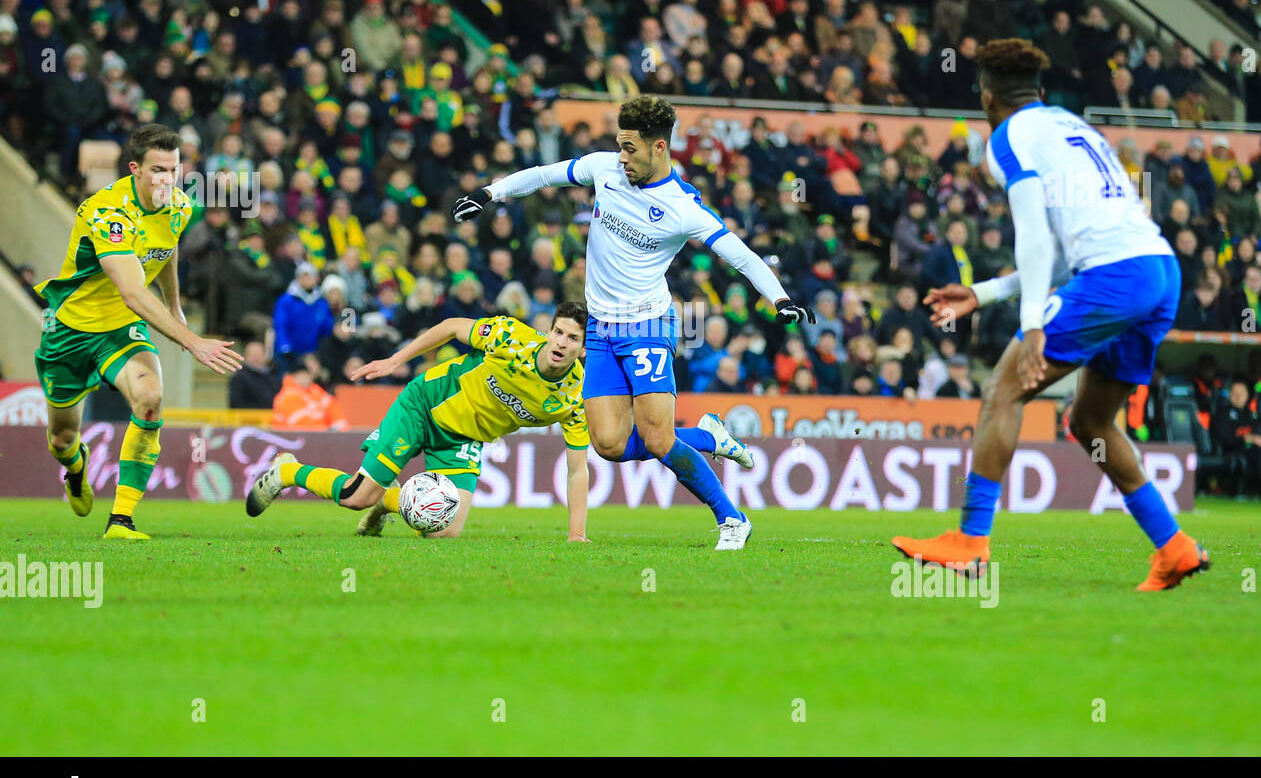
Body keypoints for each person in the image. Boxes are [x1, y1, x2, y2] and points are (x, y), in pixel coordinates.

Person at [900, 38, 1209, 591]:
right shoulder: (1072, 125)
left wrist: (1034, 323)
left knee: (1002, 390)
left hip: (1113, 276)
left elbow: (1037, 240)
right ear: (1039, 92)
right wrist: (986, 292)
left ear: (988, 98)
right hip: (1158, 270)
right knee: (1088, 422)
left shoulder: (1007, 137)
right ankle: (1173, 545)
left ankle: (970, 544)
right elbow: (1069, 253)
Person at [446, 96, 805, 550]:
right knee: (609, 445)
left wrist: (781, 298)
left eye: (630, 148)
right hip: (600, 328)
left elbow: (739, 255)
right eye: (619, 146)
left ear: (659, 147)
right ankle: (707, 434)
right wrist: (489, 193)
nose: (622, 157)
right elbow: (542, 176)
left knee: (657, 439)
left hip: (648, 327)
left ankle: (731, 519)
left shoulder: (683, 207)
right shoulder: (605, 169)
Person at [33, 124, 243, 539]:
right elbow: (130, 290)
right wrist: (192, 341)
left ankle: (121, 520)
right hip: (71, 330)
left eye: (174, 169)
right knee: (61, 438)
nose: (168, 179)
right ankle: (76, 467)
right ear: (135, 169)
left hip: (121, 330)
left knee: (150, 398)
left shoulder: (179, 206)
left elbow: (165, 249)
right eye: (159, 170)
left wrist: (175, 305)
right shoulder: (107, 212)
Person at [248, 305, 595, 541]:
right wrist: (395, 360)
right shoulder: (510, 337)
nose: (562, 343)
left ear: (583, 348)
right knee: (356, 497)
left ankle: (389, 500)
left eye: (573, 338)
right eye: (559, 332)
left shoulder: (575, 396)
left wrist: (576, 535)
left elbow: (577, 469)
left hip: (463, 439)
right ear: (548, 331)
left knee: (445, 531)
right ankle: (286, 470)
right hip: (424, 405)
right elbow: (450, 328)